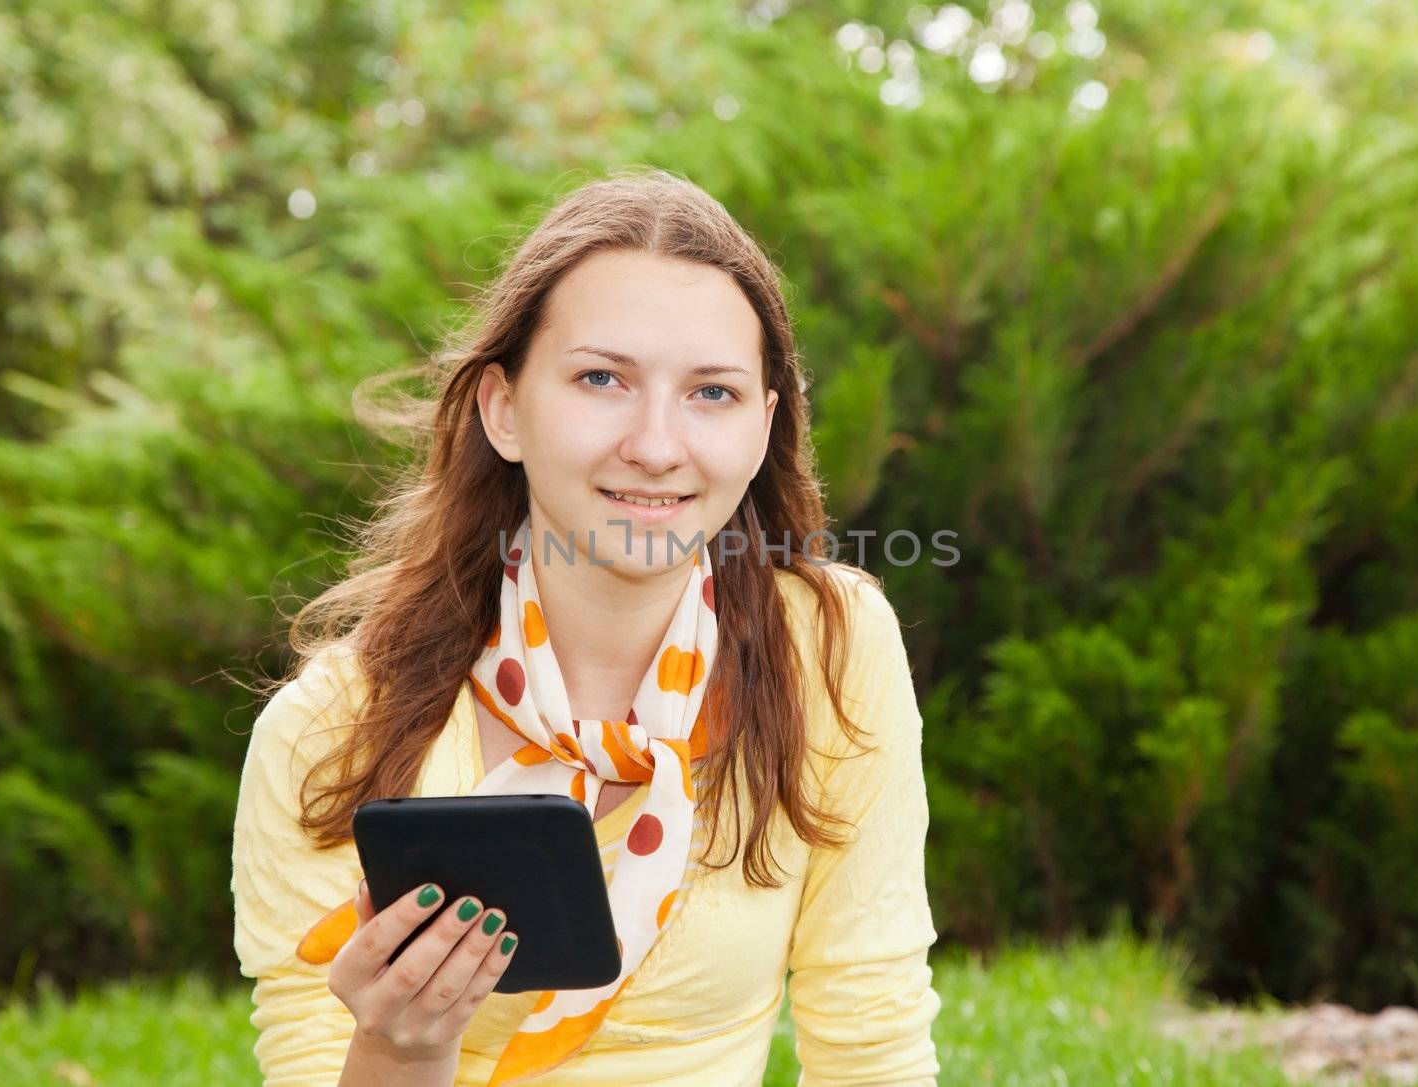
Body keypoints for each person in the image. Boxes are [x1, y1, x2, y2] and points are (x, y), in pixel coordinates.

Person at [230, 166, 941, 1086]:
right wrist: (400, 1048)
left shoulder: (830, 647)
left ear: (765, 427)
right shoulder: (328, 732)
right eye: (602, 378)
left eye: (712, 393)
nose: (655, 444)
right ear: (503, 409)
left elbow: (872, 1051)